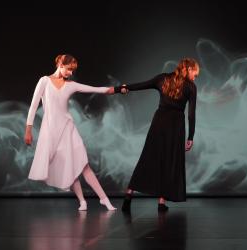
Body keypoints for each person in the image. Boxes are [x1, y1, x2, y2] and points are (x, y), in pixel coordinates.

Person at [24, 54, 116, 211]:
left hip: (68, 130)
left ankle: (104, 199)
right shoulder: (44, 81)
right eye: (69, 69)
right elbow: (33, 106)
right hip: (51, 132)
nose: (71, 73)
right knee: (69, 167)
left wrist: (118, 90)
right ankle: (82, 201)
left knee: (83, 165)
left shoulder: (71, 85)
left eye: (73, 71)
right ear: (60, 63)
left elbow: (95, 89)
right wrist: (28, 130)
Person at [116, 58, 199, 212]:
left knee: (148, 157)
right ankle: (161, 202)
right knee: (169, 161)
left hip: (159, 121)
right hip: (176, 125)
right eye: (195, 72)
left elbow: (141, 85)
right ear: (188, 69)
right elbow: (191, 115)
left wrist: (122, 88)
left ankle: (129, 195)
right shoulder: (191, 87)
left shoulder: (163, 78)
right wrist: (190, 137)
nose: (196, 76)